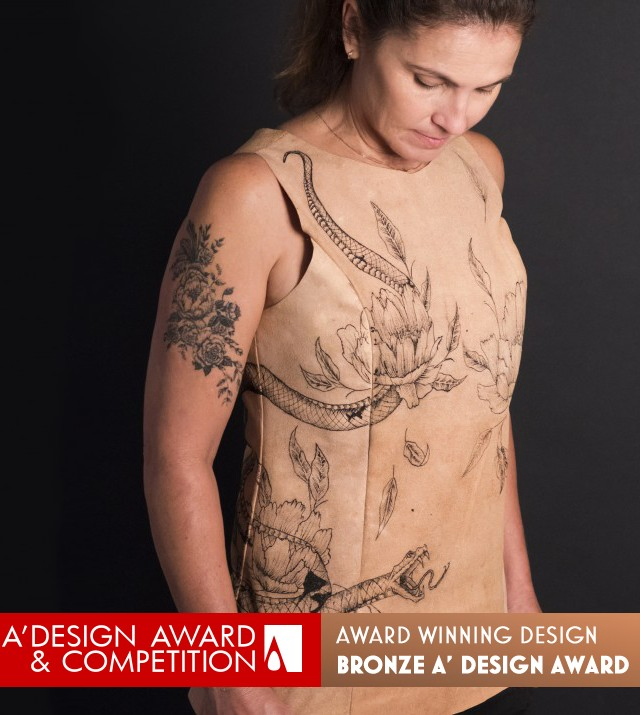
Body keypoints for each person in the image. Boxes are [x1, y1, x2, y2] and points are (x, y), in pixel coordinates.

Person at [143, 1, 541, 713]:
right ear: (354, 29)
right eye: (428, 80)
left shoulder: (479, 168)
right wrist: (225, 668)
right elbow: (176, 455)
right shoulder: (252, 195)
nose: (456, 117)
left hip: (475, 637)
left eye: (488, 88)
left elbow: (483, 399)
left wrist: (519, 589)